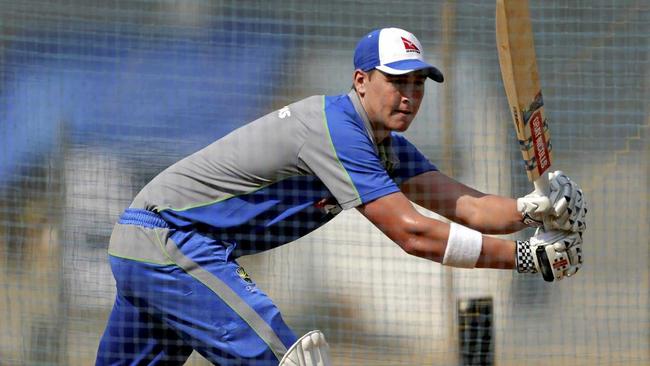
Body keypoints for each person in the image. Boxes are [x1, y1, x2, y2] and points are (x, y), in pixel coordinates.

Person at [96, 27, 587, 365]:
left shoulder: (384, 146)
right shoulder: (336, 129)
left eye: (418, 84)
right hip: (171, 240)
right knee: (288, 358)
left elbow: (470, 207)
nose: (409, 96)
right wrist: (527, 258)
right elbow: (414, 234)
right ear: (360, 81)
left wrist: (532, 207)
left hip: (151, 246)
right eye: (396, 81)